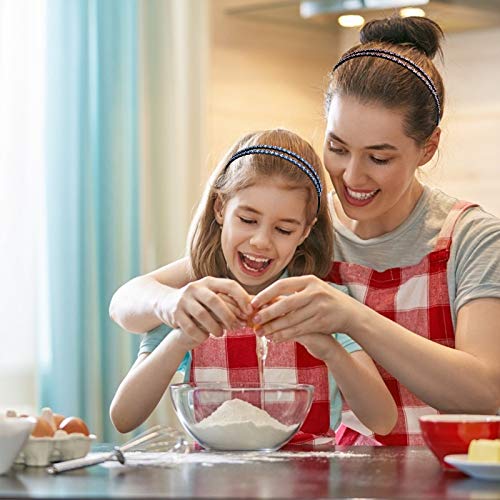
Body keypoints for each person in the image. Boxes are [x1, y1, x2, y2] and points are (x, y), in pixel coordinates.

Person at [110, 16, 500, 445]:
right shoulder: (299, 232)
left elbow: (484, 394)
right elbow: (130, 299)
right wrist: (172, 307)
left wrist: (351, 318)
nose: (352, 176)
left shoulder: (471, 237)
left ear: (428, 147)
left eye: (379, 158)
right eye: (337, 147)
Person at [109, 128, 397, 445]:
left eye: (284, 229)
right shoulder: (194, 302)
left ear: (304, 232)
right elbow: (124, 418)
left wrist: (330, 349)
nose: (261, 242)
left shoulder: (320, 302)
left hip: (313, 485)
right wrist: (180, 338)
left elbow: (382, 421)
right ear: (221, 208)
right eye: (247, 220)